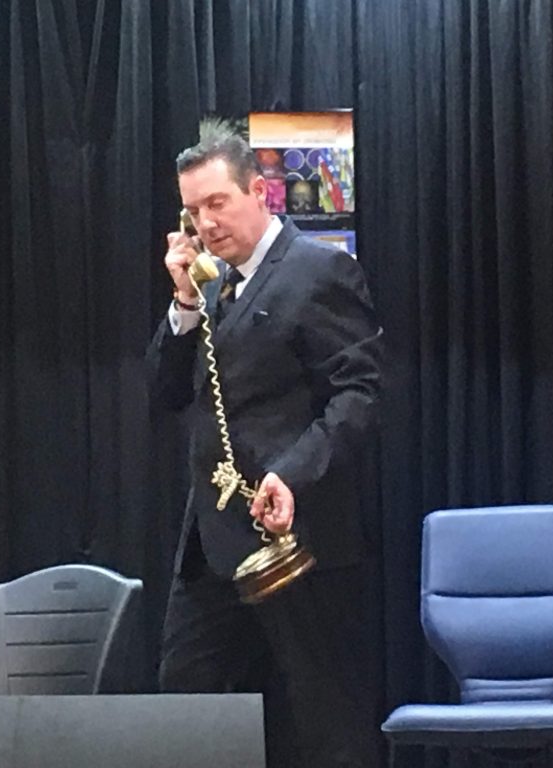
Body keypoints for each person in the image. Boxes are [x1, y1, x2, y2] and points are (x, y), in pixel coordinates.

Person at [147, 123, 383, 768]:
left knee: (323, 721)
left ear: (260, 192)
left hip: (298, 540)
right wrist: (183, 303)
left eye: (217, 202)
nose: (206, 222)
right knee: (185, 707)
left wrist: (293, 475)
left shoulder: (319, 271)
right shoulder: (208, 289)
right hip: (213, 546)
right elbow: (166, 392)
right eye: (193, 210)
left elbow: (359, 394)